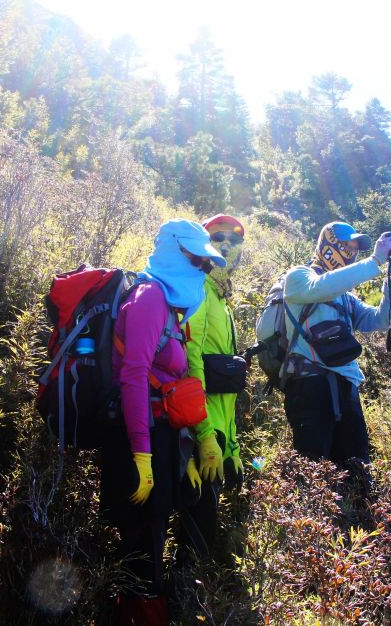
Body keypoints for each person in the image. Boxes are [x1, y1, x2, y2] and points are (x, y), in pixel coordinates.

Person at [100, 218, 225, 626]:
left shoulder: (171, 304)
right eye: (196, 259)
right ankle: (139, 615)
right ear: (174, 251)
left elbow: (173, 379)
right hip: (138, 438)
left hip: (162, 436)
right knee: (141, 538)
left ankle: (144, 610)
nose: (203, 268)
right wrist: (141, 455)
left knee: (153, 532)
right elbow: (134, 376)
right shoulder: (150, 297)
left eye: (206, 262)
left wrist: (182, 450)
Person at [280, 222, 391, 492]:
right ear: (328, 243)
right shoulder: (298, 277)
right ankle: (309, 518)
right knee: (311, 468)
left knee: (357, 469)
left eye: (356, 248)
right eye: (348, 245)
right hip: (308, 383)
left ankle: (358, 514)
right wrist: (375, 261)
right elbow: (318, 288)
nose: (351, 251)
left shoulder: (346, 297)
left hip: (346, 386)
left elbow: (382, 320)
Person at [180, 214, 246, 556]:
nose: (226, 245)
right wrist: (205, 435)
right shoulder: (199, 291)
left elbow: (225, 379)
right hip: (199, 428)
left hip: (221, 433)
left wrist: (231, 447)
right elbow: (190, 361)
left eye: (234, 240)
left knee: (207, 537)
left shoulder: (222, 299)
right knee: (194, 540)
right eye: (218, 238)